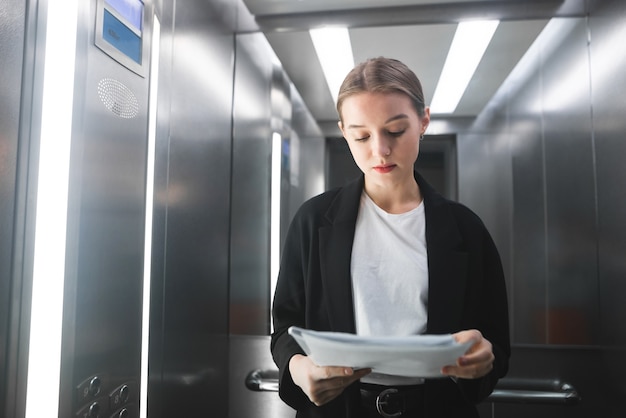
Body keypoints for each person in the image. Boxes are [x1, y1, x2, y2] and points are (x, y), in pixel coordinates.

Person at [270, 57, 510, 418]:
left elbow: (495, 340)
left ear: (423, 121)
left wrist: (482, 357)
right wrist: (298, 369)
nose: (379, 150)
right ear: (343, 131)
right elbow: (285, 329)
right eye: (361, 135)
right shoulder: (314, 220)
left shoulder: (466, 229)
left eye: (395, 131)